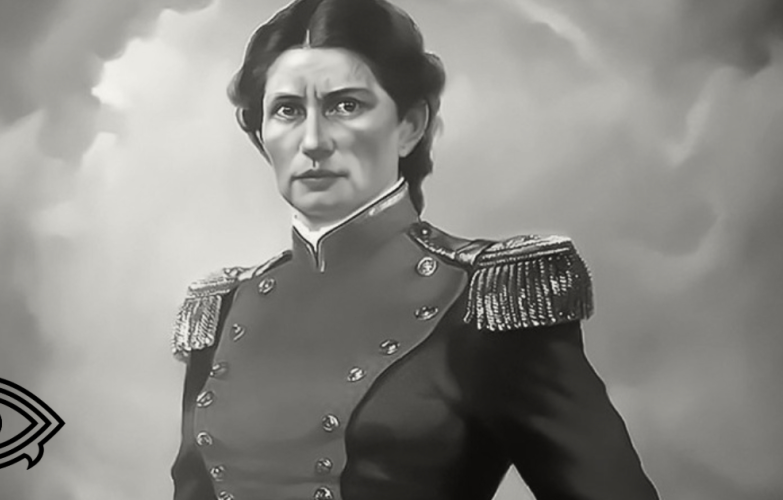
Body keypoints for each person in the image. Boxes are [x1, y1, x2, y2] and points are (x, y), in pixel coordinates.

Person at [170, 0, 660, 499]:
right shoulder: (225, 309)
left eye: (346, 105)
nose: (313, 140)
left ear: (409, 126)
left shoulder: (484, 302)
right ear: (261, 134)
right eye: (288, 110)